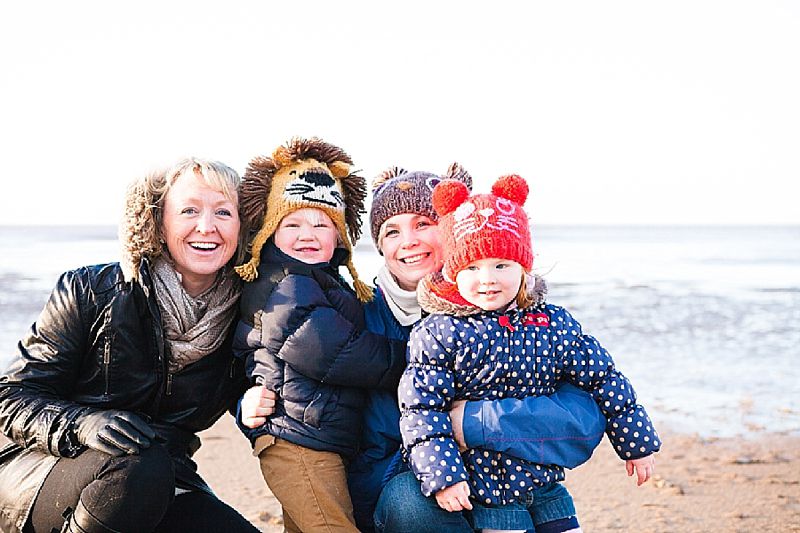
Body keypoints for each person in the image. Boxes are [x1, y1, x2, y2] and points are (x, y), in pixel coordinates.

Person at [346, 165, 610, 533]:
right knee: (410, 503)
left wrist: (473, 422)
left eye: (423, 223)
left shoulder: (518, 314)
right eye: (391, 231)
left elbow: (583, 418)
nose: (408, 241)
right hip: (407, 487)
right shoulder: (358, 315)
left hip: (504, 481)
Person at [0, 158, 260, 532]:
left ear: (243, 226)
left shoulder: (248, 317)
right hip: (46, 472)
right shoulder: (91, 291)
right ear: (159, 221)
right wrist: (82, 424)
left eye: (224, 211)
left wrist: (250, 402)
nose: (208, 226)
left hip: (166, 480)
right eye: (189, 210)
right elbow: (11, 396)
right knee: (141, 465)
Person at [398, 175, 662, 533]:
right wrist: (445, 476)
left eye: (501, 265)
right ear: (453, 273)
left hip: (546, 482)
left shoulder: (552, 323)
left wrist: (635, 443)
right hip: (491, 490)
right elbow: (421, 408)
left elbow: (604, 379)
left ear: (524, 269)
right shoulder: (441, 332)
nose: (487, 278)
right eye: (472, 268)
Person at [232, 137, 408, 532]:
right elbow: (335, 352)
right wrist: (411, 357)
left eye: (322, 223)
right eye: (291, 223)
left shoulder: (323, 281)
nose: (307, 233)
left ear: (340, 236)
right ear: (268, 234)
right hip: (298, 440)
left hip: (315, 436)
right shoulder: (285, 285)